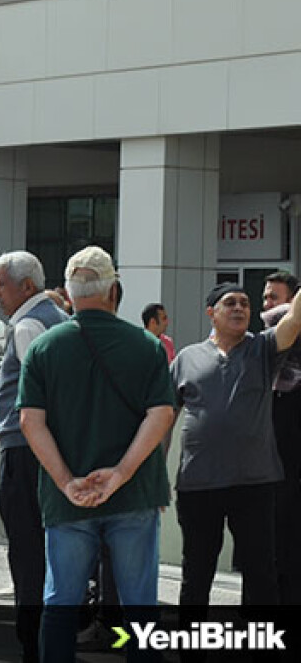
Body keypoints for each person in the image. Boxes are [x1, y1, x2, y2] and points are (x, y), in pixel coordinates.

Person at [17, 246, 176, 663]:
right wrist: (122, 473)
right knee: (139, 605)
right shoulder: (147, 345)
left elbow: (31, 422)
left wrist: (67, 480)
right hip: (135, 493)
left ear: (68, 295)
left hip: (67, 499)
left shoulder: (43, 348)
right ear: (113, 291)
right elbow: (161, 415)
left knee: (61, 601)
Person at [173, 281, 301, 616]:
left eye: (245, 303)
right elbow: (162, 420)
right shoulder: (187, 357)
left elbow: (294, 321)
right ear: (211, 313)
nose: (240, 308)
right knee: (196, 575)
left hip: (254, 485)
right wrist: (154, 475)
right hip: (198, 485)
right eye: (231, 303)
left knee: (261, 575)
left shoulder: (263, 348)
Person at [0, 250, 67, 663]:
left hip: (27, 454)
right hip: (34, 448)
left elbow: (43, 393)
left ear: (27, 287)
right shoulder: (56, 318)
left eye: (1, 283)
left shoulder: (30, 324)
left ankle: (32, 642)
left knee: (28, 549)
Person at [263, 271, 301, 603]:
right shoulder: (259, 349)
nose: (267, 306)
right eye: (265, 299)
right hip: (268, 477)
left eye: (274, 298)